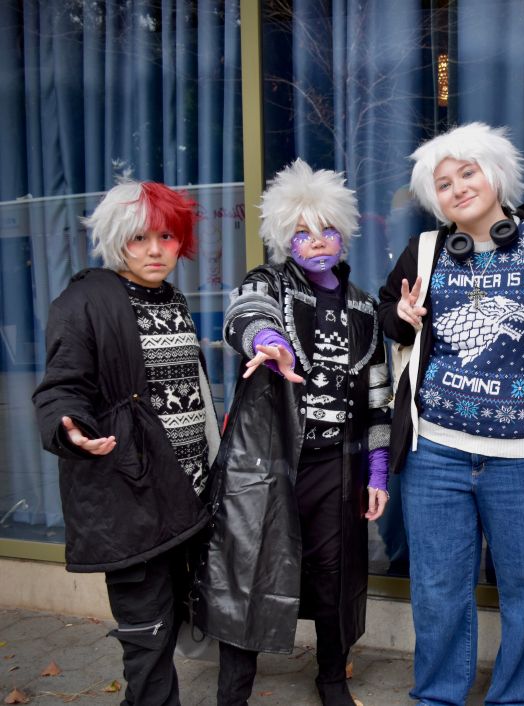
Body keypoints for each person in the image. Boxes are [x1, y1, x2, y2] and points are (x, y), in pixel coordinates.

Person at [378, 122, 524, 706]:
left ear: (496, 174)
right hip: (437, 452)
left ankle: (521, 698)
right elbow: (390, 321)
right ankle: (437, 696)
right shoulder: (425, 250)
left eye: (467, 172)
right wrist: (403, 316)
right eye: (442, 183)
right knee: (437, 587)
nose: (456, 188)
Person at [193, 159, 391, 706]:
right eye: (302, 232)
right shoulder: (270, 283)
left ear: (344, 233)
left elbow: (378, 396)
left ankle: (332, 677)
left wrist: (377, 471)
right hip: (267, 462)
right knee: (249, 571)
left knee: (334, 576)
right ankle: (233, 691)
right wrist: (264, 338)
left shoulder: (365, 309)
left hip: (336, 466)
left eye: (327, 229)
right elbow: (245, 310)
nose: (317, 241)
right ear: (285, 238)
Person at [33, 181, 217, 706]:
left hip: (187, 495)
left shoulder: (173, 299)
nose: (155, 250)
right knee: (147, 633)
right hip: (130, 496)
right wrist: (68, 424)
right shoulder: (83, 300)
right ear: (117, 241)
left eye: (166, 236)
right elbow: (62, 385)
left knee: (173, 619)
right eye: (138, 238)